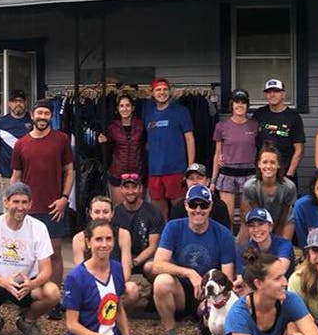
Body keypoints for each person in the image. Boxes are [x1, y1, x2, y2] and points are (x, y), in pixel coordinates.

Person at [63, 219, 163, 335]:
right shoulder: (76, 277)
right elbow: (72, 324)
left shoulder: (116, 269)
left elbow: (118, 308)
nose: (104, 244)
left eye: (108, 239)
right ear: (88, 242)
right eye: (98, 239)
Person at [150, 183, 237, 335]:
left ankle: (209, 328)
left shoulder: (223, 234)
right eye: (193, 205)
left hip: (210, 294)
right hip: (181, 292)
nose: (198, 210)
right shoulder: (173, 227)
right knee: (161, 282)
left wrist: (210, 300)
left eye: (203, 205)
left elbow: (227, 278)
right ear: (186, 205)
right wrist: (190, 273)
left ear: (210, 207)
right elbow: (157, 265)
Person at [0, 182, 60, 335]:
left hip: (27, 282)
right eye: (16, 202)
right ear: (6, 202)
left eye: (24, 202)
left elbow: (46, 270)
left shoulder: (39, 228)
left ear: (30, 204)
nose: (20, 207)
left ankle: (27, 321)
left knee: (53, 293)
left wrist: (32, 283)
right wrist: (5, 282)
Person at [10, 99, 74, 298]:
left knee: (54, 252)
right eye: (39, 113)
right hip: (27, 208)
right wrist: (12, 203)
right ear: (32, 115)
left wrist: (64, 198)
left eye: (46, 114)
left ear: (51, 116)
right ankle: (28, 294)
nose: (42, 117)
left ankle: (54, 297)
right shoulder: (21, 144)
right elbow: (16, 176)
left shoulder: (61, 139)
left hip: (53, 206)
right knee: (26, 253)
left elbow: (69, 171)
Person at [71, 196, 141, 305]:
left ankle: (117, 314)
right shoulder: (79, 238)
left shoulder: (123, 234)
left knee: (132, 289)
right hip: (89, 286)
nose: (101, 216)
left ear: (112, 213)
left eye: (105, 212)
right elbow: (79, 273)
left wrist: (108, 288)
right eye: (97, 212)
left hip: (115, 283)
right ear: (90, 213)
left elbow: (126, 273)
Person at [142, 77, 196, 217]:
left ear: (169, 91)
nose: (162, 92)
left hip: (176, 169)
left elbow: (190, 139)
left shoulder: (180, 111)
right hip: (154, 170)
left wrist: (190, 166)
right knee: (159, 213)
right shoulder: (148, 113)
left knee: (179, 210)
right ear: (152, 93)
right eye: (158, 90)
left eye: (165, 89)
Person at [212, 89, 260, 221]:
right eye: (237, 102)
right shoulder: (221, 126)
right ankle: (228, 235)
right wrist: (213, 180)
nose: (240, 105)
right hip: (227, 173)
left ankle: (245, 236)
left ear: (247, 105)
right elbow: (217, 153)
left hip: (249, 174)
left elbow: (260, 150)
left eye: (243, 102)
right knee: (228, 214)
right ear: (232, 105)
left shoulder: (254, 125)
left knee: (247, 215)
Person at [111, 173, 162, 289]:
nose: (130, 191)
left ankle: (154, 294)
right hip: (121, 257)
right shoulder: (115, 213)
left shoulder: (153, 212)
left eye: (134, 187)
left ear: (141, 189)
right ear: (121, 189)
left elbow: (153, 247)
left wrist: (134, 262)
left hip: (145, 258)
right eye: (126, 187)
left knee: (151, 267)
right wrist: (125, 262)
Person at [252, 77, 306, 182]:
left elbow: (299, 150)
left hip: (285, 173)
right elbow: (248, 138)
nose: (272, 94)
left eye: (276, 91)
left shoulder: (294, 117)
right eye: (269, 92)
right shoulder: (259, 114)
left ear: (283, 94)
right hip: (263, 172)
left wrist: (290, 173)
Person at [242, 144, 298, 242]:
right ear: (259, 164)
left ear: (278, 165)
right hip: (257, 220)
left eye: (272, 162)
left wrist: (277, 236)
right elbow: (249, 215)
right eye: (265, 162)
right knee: (248, 242)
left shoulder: (289, 187)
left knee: (283, 245)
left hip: (282, 221)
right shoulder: (250, 186)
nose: (268, 166)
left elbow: (285, 214)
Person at [97, 92, 145, 195]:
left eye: (128, 105)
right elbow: (107, 150)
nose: (125, 109)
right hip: (117, 173)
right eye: (121, 106)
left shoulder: (140, 125)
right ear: (118, 109)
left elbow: (145, 145)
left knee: (136, 203)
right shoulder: (112, 127)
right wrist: (103, 142)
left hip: (136, 173)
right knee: (118, 205)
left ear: (133, 108)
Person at [0, 90, 32, 195]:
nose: (18, 104)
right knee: (9, 204)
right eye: (14, 101)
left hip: (30, 174)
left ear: (25, 103)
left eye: (21, 101)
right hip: (7, 175)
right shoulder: (1, 123)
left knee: (31, 204)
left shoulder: (33, 121)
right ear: (9, 104)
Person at [165, 163, 231, 228]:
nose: (195, 182)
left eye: (199, 178)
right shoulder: (178, 207)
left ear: (208, 181)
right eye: (191, 178)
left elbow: (225, 231)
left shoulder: (219, 206)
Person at [236, 207, 295, 276]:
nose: (256, 229)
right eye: (251, 226)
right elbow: (240, 276)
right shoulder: (244, 249)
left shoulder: (284, 245)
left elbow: (280, 271)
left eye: (261, 224)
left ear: (270, 226)